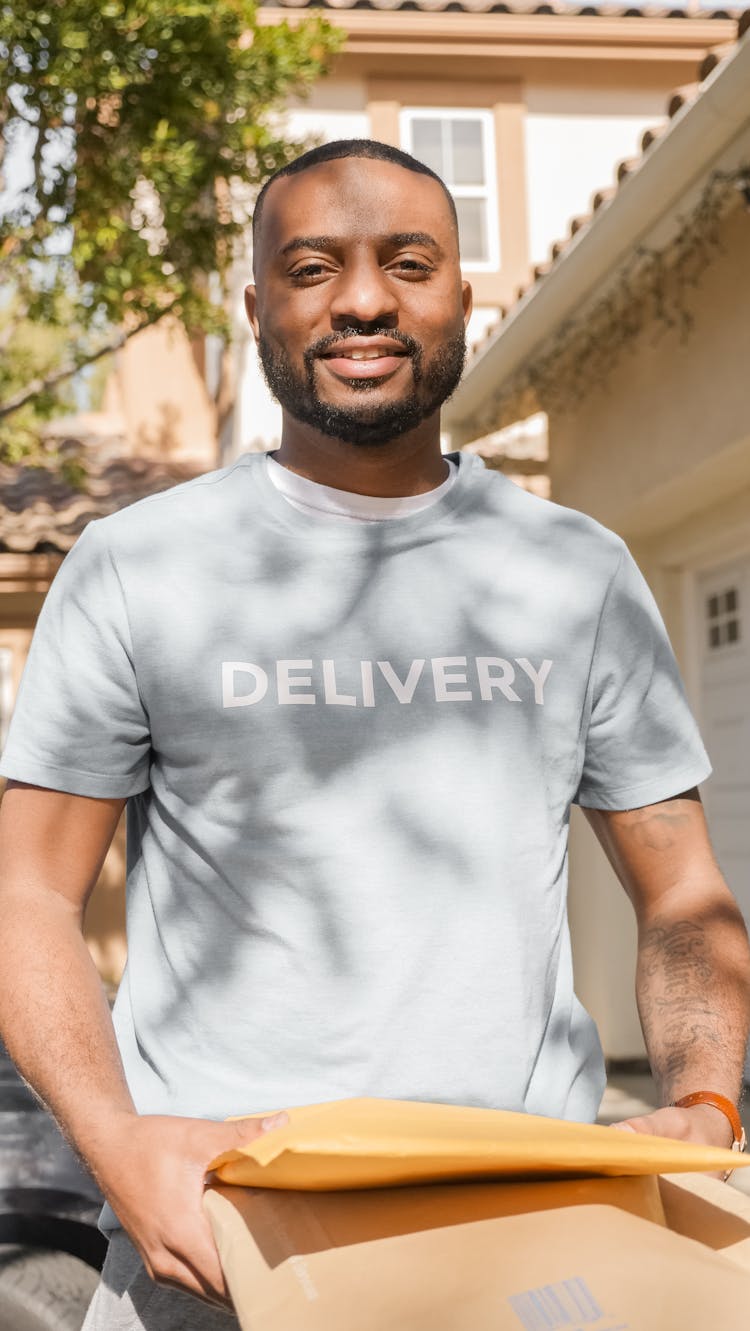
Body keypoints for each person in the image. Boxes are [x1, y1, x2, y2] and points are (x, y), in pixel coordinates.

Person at [0, 139, 748, 1330]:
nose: (362, 298)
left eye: (409, 262)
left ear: (462, 297)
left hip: (530, 1227)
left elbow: (682, 894)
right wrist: (116, 1143)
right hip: (220, 1224)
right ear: (256, 306)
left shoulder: (575, 573)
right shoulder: (138, 567)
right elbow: (28, 896)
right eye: (313, 266)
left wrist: (705, 1105)